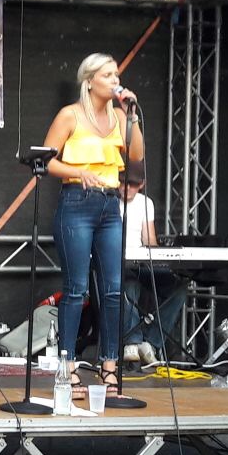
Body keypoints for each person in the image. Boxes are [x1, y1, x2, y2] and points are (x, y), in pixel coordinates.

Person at [43, 53, 144, 399]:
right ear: (89, 81)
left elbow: (136, 156)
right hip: (76, 203)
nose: (115, 80)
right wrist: (77, 171)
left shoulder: (120, 116)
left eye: (116, 74)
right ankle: (67, 368)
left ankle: (109, 366)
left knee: (113, 289)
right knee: (76, 289)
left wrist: (132, 115)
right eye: (107, 75)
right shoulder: (70, 115)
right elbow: (46, 161)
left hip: (109, 205)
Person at [120, 161, 185, 365]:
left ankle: (151, 342)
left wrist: (160, 256)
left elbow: (149, 239)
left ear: (142, 184)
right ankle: (131, 342)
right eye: (123, 183)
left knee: (178, 288)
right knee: (130, 284)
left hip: (140, 263)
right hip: (117, 263)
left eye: (133, 184)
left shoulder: (145, 203)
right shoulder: (108, 200)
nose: (127, 188)